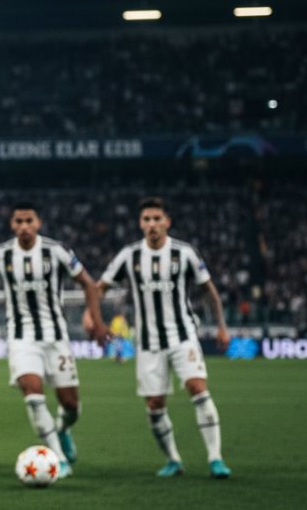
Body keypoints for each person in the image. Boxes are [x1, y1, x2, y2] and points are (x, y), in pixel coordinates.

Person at [0, 202, 108, 476]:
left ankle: (62, 429)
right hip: (21, 338)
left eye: (28, 220)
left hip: (56, 338)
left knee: (71, 405)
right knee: (33, 396)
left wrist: (97, 321)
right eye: (18, 221)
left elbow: (87, 283)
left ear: (38, 223)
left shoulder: (56, 250)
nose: (24, 226)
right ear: (12, 225)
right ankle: (57, 459)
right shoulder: (1, 254)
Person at [97, 196, 232, 479]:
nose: (152, 224)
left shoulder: (184, 253)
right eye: (146, 219)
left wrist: (221, 326)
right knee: (155, 405)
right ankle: (173, 460)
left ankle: (215, 458)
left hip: (182, 336)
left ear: (167, 222)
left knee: (198, 389)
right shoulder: (129, 255)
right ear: (140, 223)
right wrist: (91, 316)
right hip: (148, 342)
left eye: (157, 219)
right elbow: (101, 287)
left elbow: (209, 290)